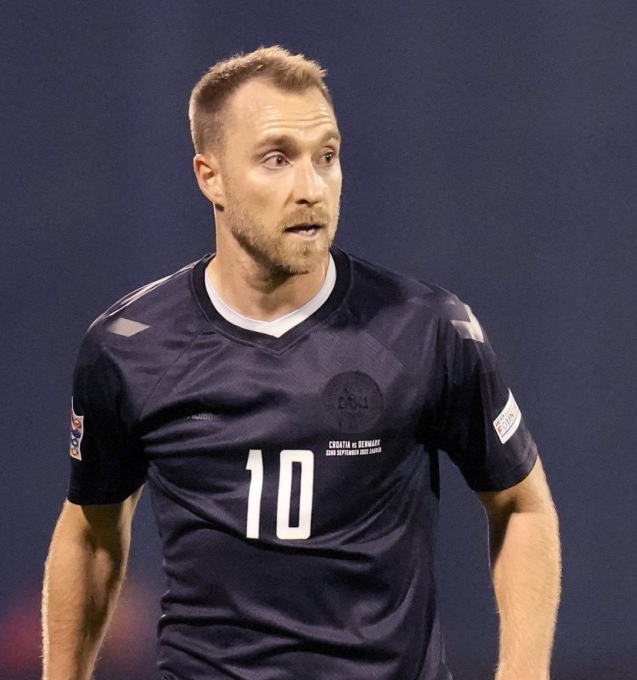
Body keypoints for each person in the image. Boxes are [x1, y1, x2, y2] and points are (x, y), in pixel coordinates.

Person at [42, 46, 561, 680]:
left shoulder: (427, 328)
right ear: (210, 177)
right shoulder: (127, 347)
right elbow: (91, 535)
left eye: (327, 157)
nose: (310, 188)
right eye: (277, 158)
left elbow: (523, 507)